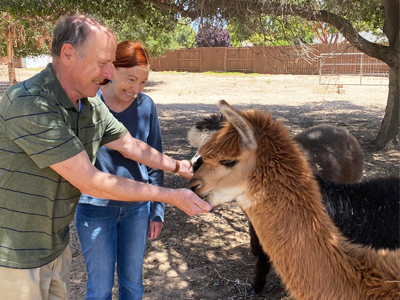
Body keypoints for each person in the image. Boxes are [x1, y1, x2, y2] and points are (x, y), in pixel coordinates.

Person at [0, 15, 210, 300]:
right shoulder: (31, 104)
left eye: (111, 63)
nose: (109, 73)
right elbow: (91, 181)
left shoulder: (88, 104)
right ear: (68, 54)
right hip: (16, 258)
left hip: (54, 249)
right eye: (102, 63)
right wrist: (170, 196)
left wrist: (177, 166)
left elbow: (131, 145)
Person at [76, 41, 165, 300]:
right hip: (94, 209)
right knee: (100, 289)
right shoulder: (88, 103)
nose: (136, 89)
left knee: (132, 285)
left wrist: (156, 211)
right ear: (111, 70)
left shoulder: (146, 106)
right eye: (130, 79)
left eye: (143, 82)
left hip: (137, 210)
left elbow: (153, 157)